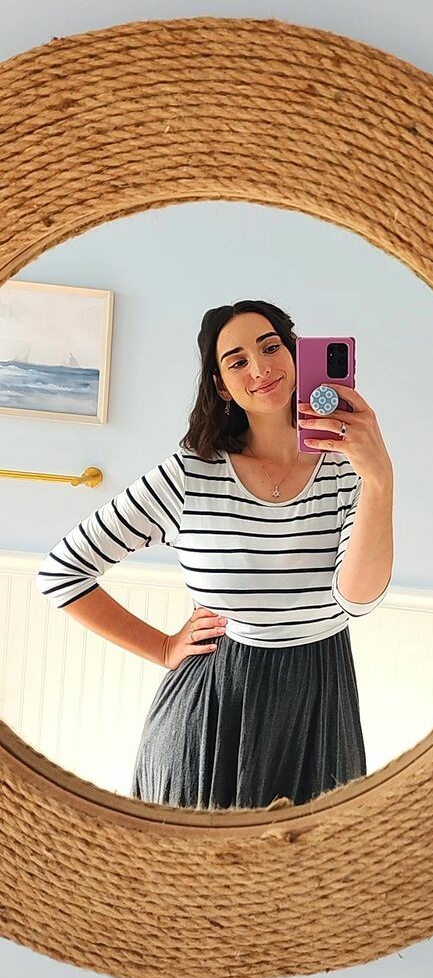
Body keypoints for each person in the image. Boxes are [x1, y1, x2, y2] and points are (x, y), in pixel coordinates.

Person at [35, 299, 394, 810]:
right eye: (237, 360)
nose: (260, 368)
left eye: (271, 348)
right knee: (196, 862)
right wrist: (164, 648)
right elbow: (62, 573)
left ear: (295, 357)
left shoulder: (346, 470)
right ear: (222, 386)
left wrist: (379, 479)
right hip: (210, 716)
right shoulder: (190, 474)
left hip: (319, 703)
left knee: (312, 860)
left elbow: (356, 600)